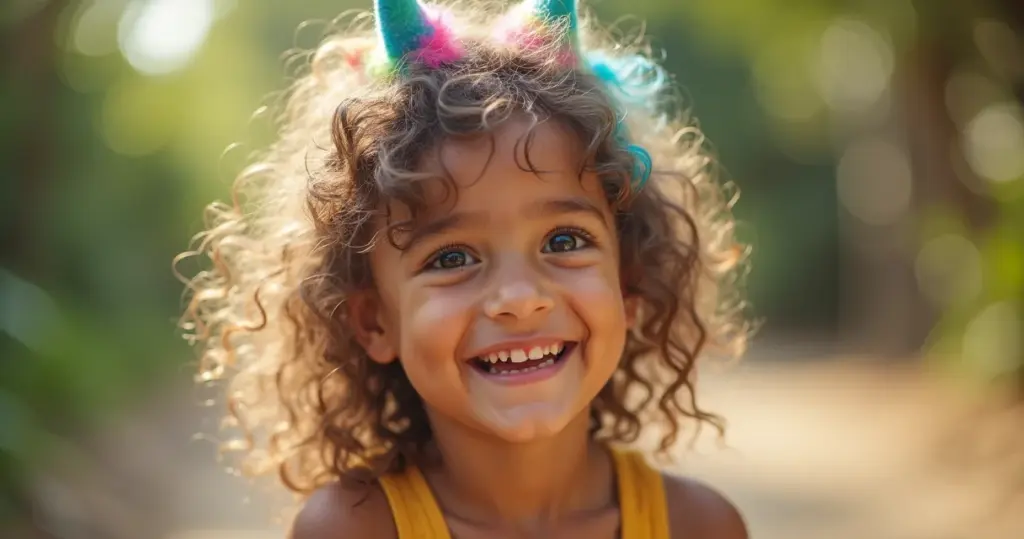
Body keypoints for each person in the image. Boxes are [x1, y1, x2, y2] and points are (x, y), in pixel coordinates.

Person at [178, 0, 752, 536]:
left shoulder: (698, 525)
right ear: (375, 321)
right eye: (452, 257)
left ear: (627, 286)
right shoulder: (352, 530)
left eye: (564, 239)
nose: (521, 297)